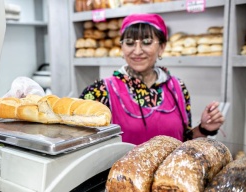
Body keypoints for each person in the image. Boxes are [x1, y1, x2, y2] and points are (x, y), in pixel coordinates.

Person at [79, 13, 224, 145]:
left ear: (161, 47)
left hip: (170, 174)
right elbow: (83, 145)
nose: (137, 51)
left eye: (147, 42)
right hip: (121, 174)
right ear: (122, 48)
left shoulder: (177, 87)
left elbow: (185, 142)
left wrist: (204, 129)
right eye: (129, 43)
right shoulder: (100, 91)